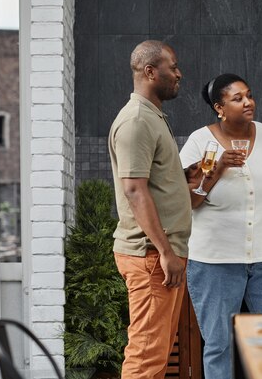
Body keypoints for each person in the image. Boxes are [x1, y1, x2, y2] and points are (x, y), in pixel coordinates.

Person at [179, 73, 262, 379]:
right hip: (214, 262)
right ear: (220, 107)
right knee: (220, 345)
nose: (248, 102)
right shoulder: (198, 142)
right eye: (237, 98)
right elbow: (188, 203)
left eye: (249, 95)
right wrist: (218, 168)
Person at [108, 40, 193, 379]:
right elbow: (133, 190)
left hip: (161, 255)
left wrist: (181, 177)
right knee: (146, 357)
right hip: (151, 256)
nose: (178, 74)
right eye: (172, 67)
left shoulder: (153, 116)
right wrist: (165, 251)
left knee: (156, 354)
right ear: (149, 72)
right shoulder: (137, 120)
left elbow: (149, 181)